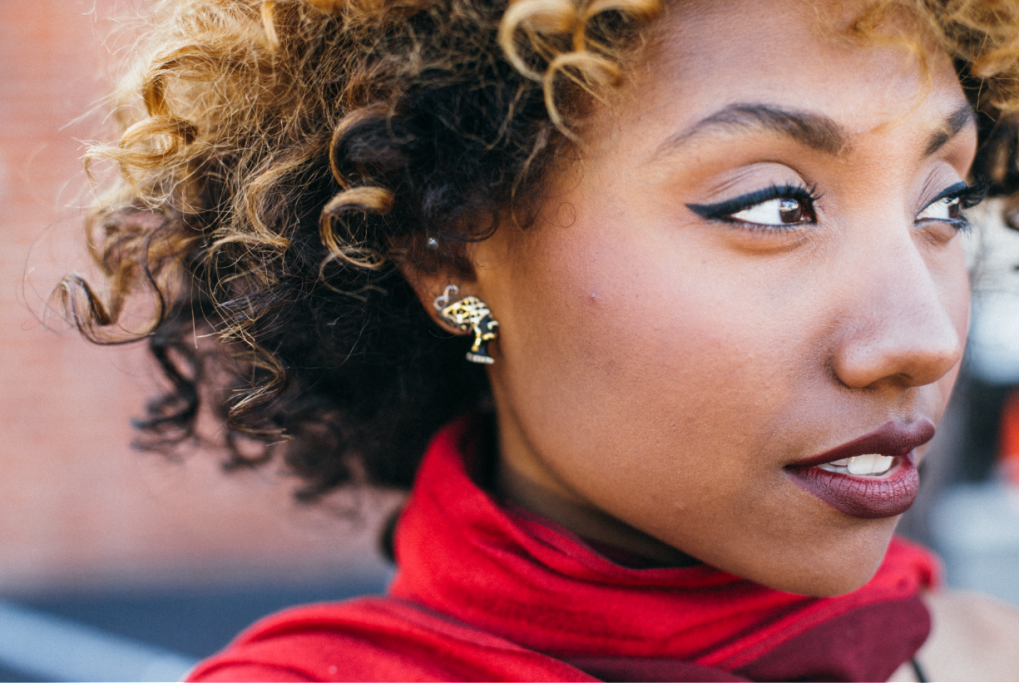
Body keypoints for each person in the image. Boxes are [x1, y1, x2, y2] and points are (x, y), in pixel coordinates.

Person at [62, 0, 1019, 679]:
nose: (924, 339)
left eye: (946, 202)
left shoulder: (984, 653)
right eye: (772, 205)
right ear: (451, 258)